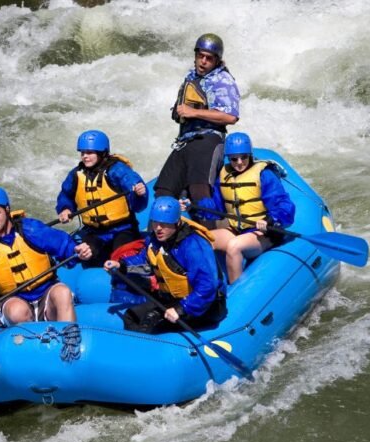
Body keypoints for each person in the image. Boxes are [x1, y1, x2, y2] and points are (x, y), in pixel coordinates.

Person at [0, 186, 93, 325]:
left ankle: (69, 338)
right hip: (12, 301)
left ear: (7, 210)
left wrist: (77, 252)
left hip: (46, 294)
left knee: (63, 292)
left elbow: (65, 246)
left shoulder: (31, 229)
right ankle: (30, 344)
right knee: (18, 311)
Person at [104, 196, 226, 334]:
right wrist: (121, 265)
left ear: (177, 222)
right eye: (155, 223)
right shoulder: (155, 241)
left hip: (205, 305)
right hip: (173, 300)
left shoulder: (193, 246)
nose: (158, 229)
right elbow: (145, 261)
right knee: (132, 317)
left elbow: (207, 286)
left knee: (150, 324)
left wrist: (182, 308)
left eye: (164, 224)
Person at [154, 33, 241, 225]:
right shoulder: (191, 76)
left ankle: (209, 237)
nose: (203, 61)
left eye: (209, 58)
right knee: (163, 190)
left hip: (209, 139)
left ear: (217, 60)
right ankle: (158, 246)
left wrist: (194, 113)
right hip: (185, 141)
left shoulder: (223, 81)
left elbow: (231, 116)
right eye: (200, 56)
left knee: (199, 189)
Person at [190, 132, 295, 283]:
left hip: (264, 234)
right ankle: (209, 287)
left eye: (244, 157)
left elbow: (284, 205)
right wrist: (194, 206)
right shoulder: (224, 176)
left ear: (250, 155)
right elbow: (217, 208)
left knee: (234, 246)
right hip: (237, 230)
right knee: (201, 240)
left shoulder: (264, 175)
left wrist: (271, 220)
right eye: (234, 159)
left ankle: (236, 294)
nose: (239, 162)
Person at [56, 129, 148, 267]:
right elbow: (66, 194)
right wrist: (65, 209)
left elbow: (133, 185)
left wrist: (139, 192)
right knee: (87, 254)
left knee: (123, 256)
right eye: (82, 153)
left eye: (90, 153)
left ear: (102, 153)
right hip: (94, 231)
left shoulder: (117, 170)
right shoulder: (76, 174)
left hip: (123, 228)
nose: (85, 156)